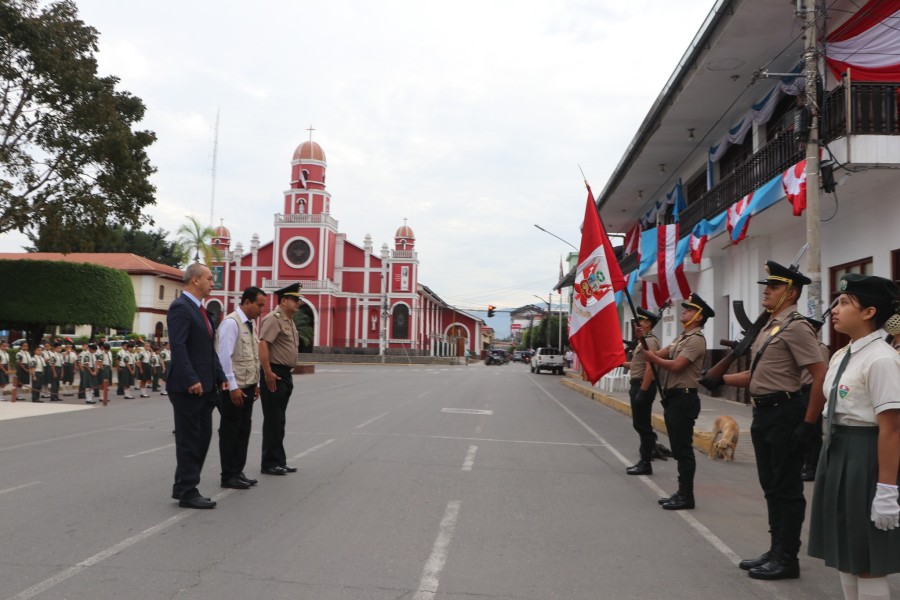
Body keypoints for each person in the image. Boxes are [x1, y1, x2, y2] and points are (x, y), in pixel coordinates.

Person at [706, 261, 827, 580]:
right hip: (764, 412)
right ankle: (775, 550)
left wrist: (809, 423)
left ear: (792, 293)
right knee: (771, 486)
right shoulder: (772, 327)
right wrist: (720, 379)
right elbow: (760, 374)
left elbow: (820, 376)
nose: (766, 291)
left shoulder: (797, 327)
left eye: (774, 287)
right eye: (767, 286)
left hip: (785, 412)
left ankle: (787, 558)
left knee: (786, 488)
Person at [808, 274, 900, 600]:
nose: (835, 309)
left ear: (869, 312)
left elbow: (892, 428)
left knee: (866, 555)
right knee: (846, 549)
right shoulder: (842, 355)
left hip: (865, 454)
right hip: (838, 450)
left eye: (845, 303)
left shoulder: (882, 359)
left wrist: (887, 490)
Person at [643, 293, 713, 511]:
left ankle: (686, 495)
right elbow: (658, 353)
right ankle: (682, 492)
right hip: (674, 398)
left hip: (684, 398)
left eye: (690, 309)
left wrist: (654, 358)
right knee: (678, 448)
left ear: (699, 317)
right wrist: (642, 337)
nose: (684, 311)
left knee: (683, 450)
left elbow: (676, 365)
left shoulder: (696, 340)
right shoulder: (681, 338)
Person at [166, 262, 227, 509]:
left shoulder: (202, 310)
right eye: (209, 278)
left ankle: (184, 485)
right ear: (195, 280)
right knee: (189, 440)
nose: (213, 282)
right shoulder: (181, 307)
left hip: (206, 387)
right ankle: (187, 491)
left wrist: (221, 375)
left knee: (201, 438)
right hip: (187, 388)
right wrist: (191, 379)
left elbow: (208, 350)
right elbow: (178, 347)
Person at [216, 286, 267, 489]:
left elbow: (253, 356)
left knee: (243, 430)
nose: (261, 310)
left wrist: (256, 383)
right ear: (247, 302)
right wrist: (232, 387)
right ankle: (228, 475)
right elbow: (224, 357)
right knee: (231, 431)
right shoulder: (231, 323)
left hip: (248, 386)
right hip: (235, 388)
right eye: (259, 305)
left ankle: (238, 470)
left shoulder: (249, 324)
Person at [258, 282, 302, 476]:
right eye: (295, 299)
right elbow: (263, 345)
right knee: (273, 420)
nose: (298, 302)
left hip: (285, 374)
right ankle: (269, 463)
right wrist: (268, 373)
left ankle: (279, 460)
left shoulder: (289, 320)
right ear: (283, 301)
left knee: (279, 420)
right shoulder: (274, 319)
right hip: (274, 373)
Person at [622, 307, 661, 476]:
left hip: (642, 386)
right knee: (640, 424)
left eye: (640, 321)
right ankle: (645, 459)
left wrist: (643, 391)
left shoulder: (649, 341)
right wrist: (618, 363)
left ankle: (646, 462)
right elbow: (637, 365)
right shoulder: (642, 341)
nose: (636, 324)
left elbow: (650, 368)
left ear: (648, 323)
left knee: (643, 425)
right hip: (637, 384)